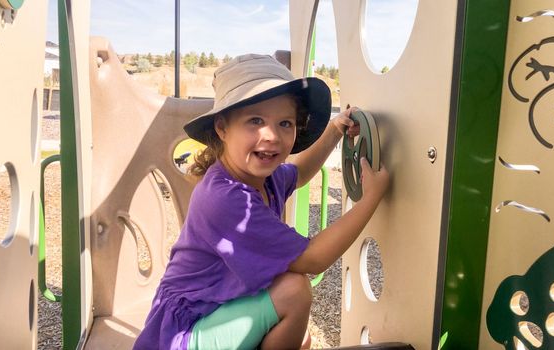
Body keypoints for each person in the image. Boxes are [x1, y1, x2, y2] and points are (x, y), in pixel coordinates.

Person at [133, 53, 389, 350]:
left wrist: (334, 130)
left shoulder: (263, 177)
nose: (272, 136)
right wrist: (371, 198)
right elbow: (313, 259)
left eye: (285, 123)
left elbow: (301, 172)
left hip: (218, 309)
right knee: (294, 292)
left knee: (299, 337)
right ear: (222, 128)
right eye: (255, 121)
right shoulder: (227, 199)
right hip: (184, 334)